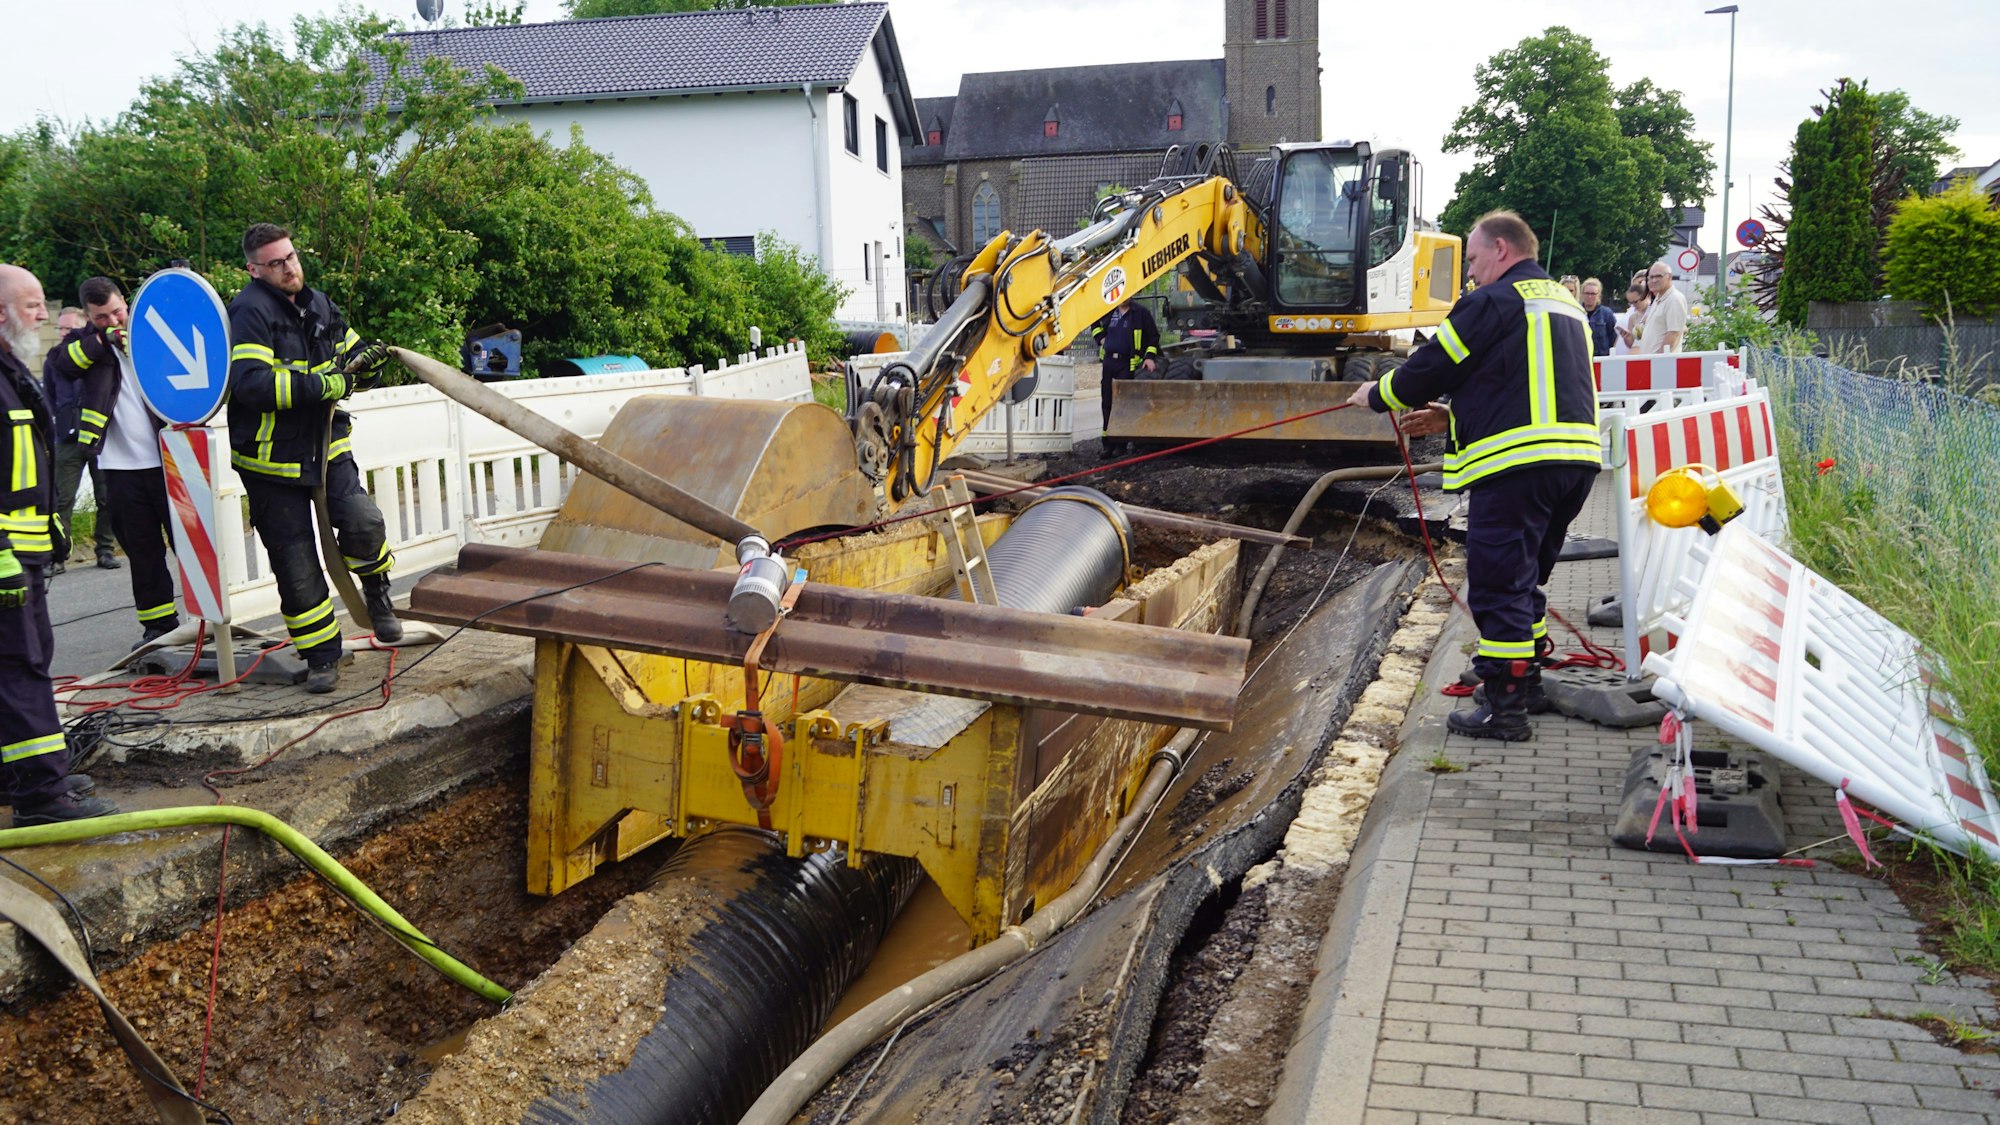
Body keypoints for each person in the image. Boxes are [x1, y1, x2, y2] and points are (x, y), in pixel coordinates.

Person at [1347, 211, 1598, 740]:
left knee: (1498, 588)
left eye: (1477, 261)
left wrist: (1377, 396)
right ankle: (1522, 682)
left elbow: (1434, 364)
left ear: (1502, 250)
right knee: (1522, 582)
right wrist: (1452, 416)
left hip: (1517, 468)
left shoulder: (1493, 300)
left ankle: (1504, 711)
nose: (1473, 274)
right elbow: (1525, 382)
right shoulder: (1565, 303)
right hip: (1573, 465)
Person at [226, 223, 399, 694]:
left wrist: (370, 362)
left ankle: (378, 596)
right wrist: (322, 386)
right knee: (296, 566)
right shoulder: (249, 312)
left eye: (291, 257)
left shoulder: (319, 304)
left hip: (327, 448)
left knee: (362, 520)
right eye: (276, 263)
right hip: (270, 462)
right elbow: (252, 384)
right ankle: (323, 657)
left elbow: (351, 352)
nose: (289, 268)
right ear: (255, 269)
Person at [0, 264, 120, 824]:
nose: (44, 315)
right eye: (31, 306)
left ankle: (23, 776)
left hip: (22, 555)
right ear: (1, 312)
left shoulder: (7, 370)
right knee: (18, 670)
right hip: (5, 562)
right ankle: (41, 801)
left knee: (28, 663)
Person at [45, 278, 182, 647]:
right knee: (142, 552)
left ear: (126, 301)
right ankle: (160, 625)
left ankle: (208, 618)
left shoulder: (152, 331)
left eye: (117, 311)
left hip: (171, 461)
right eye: (102, 316)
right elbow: (61, 364)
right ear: (89, 316)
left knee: (190, 546)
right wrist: (104, 340)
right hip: (120, 469)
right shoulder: (85, 345)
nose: (113, 320)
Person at [41, 306, 121, 577]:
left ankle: (105, 550)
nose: (62, 332)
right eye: (59, 328)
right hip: (66, 439)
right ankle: (58, 555)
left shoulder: (98, 354)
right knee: (62, 499)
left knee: (106, 497)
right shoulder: (55, 360)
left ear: (81, 326)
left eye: (67, 328)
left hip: (97, 436)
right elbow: (49, 396)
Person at [1090, 295, 1158, 450]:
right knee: (1107, 403)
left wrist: (1149, 357)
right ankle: (1107, 444)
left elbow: (1153, 337)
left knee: (1123, 404)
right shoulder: (1108, 311)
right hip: (1109, 363)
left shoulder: (1140, 313)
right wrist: (1101, 339)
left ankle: (1121, 444)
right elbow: (1094, 323)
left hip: (1127, 365)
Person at [1636, 263, 1689, 354]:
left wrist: (1659, 359)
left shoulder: (1674, 299)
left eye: (1658, 276)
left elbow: (1673, 334)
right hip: (1653, 361)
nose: (1654, 280)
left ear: (1669, 277)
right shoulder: (1659, 298)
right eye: (1651, 277)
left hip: (1662, 363)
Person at [1612, 277, 1649, 356]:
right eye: (1631, 303)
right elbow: (1631, 344)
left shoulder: (1653, 311)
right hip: (1635, 354)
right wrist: (1626, 337)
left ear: (1644, 296)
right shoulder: (1633, 317)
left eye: (1636, 302)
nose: (1634, 306)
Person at [1579, 278, 1617, 356]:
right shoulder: (1576, 313)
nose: (1589, 296)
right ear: (1582, 294)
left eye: (1593, 294)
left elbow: (1614, 338)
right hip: (1581, 359)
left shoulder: (1607, 314)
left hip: (1602, 360)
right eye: (1587, 293)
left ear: (1599, 295)